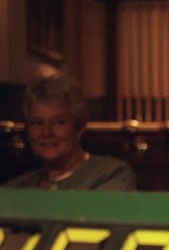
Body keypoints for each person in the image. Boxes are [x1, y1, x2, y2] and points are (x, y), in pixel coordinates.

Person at [2, 75, 136, 191]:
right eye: (37, 123)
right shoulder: (14, 189)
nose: (46, 132)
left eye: (58, 122)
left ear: (79, 127)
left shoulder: (111, 175)